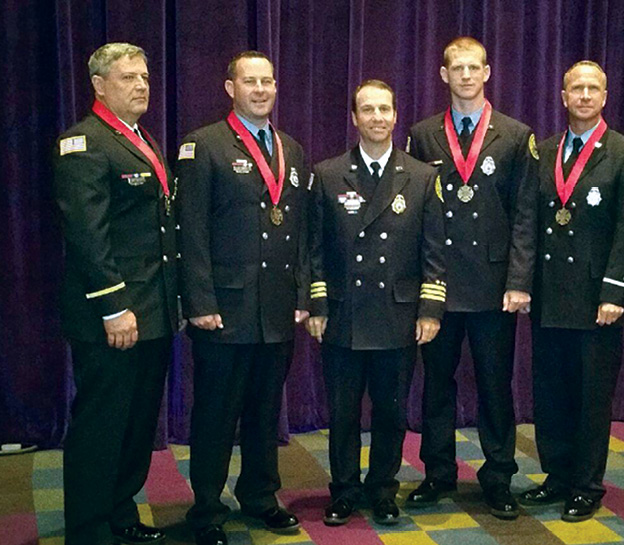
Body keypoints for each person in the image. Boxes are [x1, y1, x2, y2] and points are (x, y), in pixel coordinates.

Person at [176, 51, 310, 545]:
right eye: (249, 81)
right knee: (215, 413)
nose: (259, 89)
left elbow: (299, 230)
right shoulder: (203, 146)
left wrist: (300, 294)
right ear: (229, 87)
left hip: (275, 309)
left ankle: (259, 496)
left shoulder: (291, 149)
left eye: (267, 81)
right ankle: (207, 508)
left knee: (264, 409)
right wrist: (200, 301)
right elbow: (191, 232)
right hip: (223, 309)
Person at [406, 36, 538, 519]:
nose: (465, 76)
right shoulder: (422, 135)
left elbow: (524, 214)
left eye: (473, 67)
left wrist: (519, 280)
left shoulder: (515, 134)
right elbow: (415, 218)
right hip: (438, 285)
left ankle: (499, 476)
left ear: (487, 73)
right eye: (456, 68)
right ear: (443, 75)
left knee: (494, 385)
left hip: (492, 287)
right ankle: (438, 473)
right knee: (436, 384)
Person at [53, 42, 178, 545]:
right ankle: (88, 528)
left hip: (152, 312)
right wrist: (114, 306)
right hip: (114, 316)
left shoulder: (139, 138)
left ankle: (120, 511)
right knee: (101, 426)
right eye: (128, 78)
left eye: (145, 77)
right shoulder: (83, 143)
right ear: (99, 86)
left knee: (136, 424)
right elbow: (87, 235)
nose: (142, 85)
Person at [307, 79, 446, 526]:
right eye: (367, 110)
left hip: (397, 313)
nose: (377, 118)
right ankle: (345, 489)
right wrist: (318, 305)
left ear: (396, 114)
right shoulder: (328, 173)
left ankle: (384, 489)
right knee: (344, 412)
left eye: (384, 109)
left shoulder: (422, 176)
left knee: (391, 411)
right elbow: (314, 249)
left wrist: (430, 309)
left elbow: (434, 251)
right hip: (345, 314)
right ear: (354, 118)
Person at [519, 60, 624, 522]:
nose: (583, 95)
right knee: (550, 393)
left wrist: (615, 292)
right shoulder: (546, 150)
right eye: (576, 88)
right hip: (550, 296)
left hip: (597, 301)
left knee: (591, 398)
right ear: (563, 95)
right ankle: (556, 476)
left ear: (605, 96)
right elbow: (532, 222)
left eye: (592, 88)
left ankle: (586, 485)